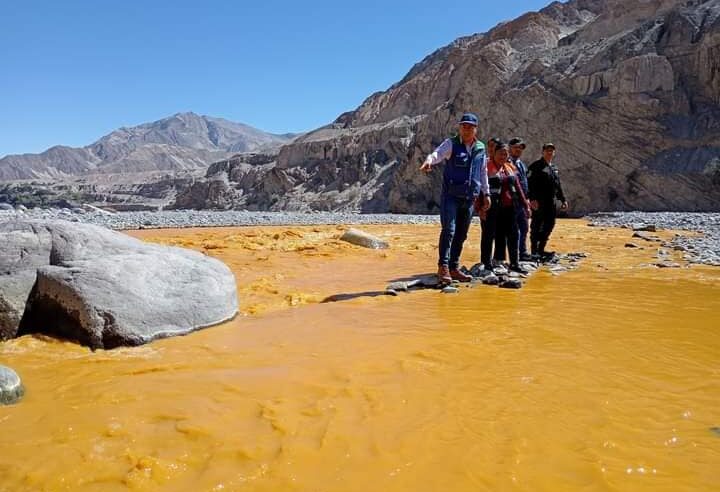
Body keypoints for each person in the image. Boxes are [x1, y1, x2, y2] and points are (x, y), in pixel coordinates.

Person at [420, 113, 491, 283]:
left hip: (469, 198)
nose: (466, 130)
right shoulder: (451, 143)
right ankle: (442, 267)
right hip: (450, 196)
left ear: (475, 129)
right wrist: (429, 161)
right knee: (449, 230)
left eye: (470, 127)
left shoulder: (480, 148)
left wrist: (486, 193)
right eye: (464, 126)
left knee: (461, 234)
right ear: (459, 127)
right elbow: (437, 154)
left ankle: (454, 267)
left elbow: (483, 172)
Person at [481, 142, 530, 273]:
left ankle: (514, 263)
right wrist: (479, 208)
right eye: (500, 153)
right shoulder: (486, 167)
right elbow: (479, 189)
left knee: (513, 235)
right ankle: (486, 263)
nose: (503, 156)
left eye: (505, 154)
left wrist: (526, 205)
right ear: (494, 154)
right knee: (489, 235)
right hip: (491, 207)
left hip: (510, 207)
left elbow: (518, 188)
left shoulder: (510, 167)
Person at [527, 143, 569, 259]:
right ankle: (534, 251)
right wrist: (532, 199)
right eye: (547, 150)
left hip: (551, 202)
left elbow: (558, 185)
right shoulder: (535, 166)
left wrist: (563, 199)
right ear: (543, 152)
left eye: (551, 151)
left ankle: (541, 249)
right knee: (537, 225)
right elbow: (529, 184)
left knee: (550, 224)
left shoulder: (554, 168)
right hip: (539, 202)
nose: (549, 153)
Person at [508, 137, 531, 261]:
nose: (518, 150)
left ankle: (522, 252)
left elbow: (524, 183)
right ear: (510, 148)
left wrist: (527, 199)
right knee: (513, 229)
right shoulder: (506, 163)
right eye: (516, 147)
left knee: (524, 227)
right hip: (511, 201)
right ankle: (515, 255)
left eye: (520, 148)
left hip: (522, 201)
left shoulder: (521, 164)